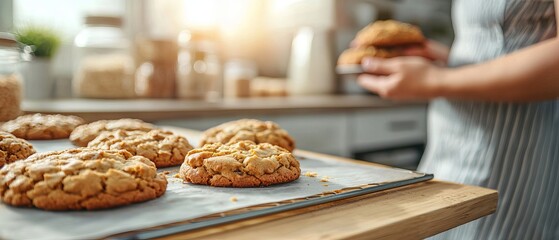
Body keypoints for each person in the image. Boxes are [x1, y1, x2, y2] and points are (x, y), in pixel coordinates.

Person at [355, 1, 559, 239]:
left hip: (513, 156)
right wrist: (445, 58)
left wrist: (435, 79)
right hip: (450, 145)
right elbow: (497, 45)